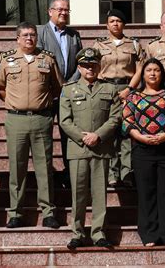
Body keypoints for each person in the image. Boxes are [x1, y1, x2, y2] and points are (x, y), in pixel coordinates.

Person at [0, 21, 63, 229]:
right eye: (24, 35)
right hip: (16, 120)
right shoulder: (7, 60)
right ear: (17, 38)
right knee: (17, 167)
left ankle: (48, 212)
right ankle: (16, 213)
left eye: (32, 35)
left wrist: (41, 104)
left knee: (44, 168)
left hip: (42, 119)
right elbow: (0, 87)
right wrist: (16, 103)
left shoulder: (47, 59)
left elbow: (57, 87)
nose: (29, 38)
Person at [59, 48, 121, 249]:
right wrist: (83, 137)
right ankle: (77, 232)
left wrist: (98, 135)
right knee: (78, 193)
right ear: (79, 67)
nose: (89, 69)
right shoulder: (68, 90)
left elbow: (115, 118)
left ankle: (98, 232)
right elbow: (65, 121)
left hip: (101, 147)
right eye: (85, 66)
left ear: (99, 66)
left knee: (99, 193)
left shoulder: (109, 89)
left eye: (93, 65)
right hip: (78, 148)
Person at [123, 58, 165, 248]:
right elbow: (127, 121)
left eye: (156, 70)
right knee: (146, 192)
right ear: (142, 74)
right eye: (148, 70)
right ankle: (149, 234)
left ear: (162, 73)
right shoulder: (133, 97)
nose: (152, 73)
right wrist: (141, 138)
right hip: (142, 150)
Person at [93, 9, 145, 187]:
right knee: (109, 131)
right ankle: (112, 173)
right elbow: (92, 68)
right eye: (112, 21)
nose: (115, 24)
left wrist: (130, 89)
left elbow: (140, 69)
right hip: (105, 88)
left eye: (119, 21)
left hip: (126, 88)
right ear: (107, 25)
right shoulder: (98, 45)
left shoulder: (134, 45)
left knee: (126, 130)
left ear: (124, 24)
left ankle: (127, 172)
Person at [37, 0, 83, 187]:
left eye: (66, 10)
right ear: (50, 11)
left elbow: (80, 62)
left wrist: (69, 84)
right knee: (44, 135)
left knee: (68, 133)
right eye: (60, 9)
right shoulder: (40, 32)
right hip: (47, 93)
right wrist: (56, 85)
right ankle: (46, 175)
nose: (63, 13)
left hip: (69, 93)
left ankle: (69, 172)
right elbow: (38, 61)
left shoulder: (74, 35)